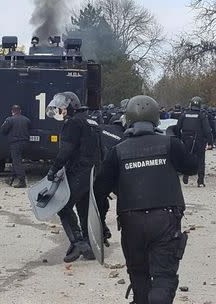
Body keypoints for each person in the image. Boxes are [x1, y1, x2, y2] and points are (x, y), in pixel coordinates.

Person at [94, 95, 198, 304]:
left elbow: (99, 189)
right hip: (165, 220)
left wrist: (100, 222)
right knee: (163, 277)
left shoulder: (117, 151)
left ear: (128, 118)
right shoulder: (170, 143)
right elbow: (191, 167)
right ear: (156, 118)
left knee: (139, 275)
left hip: (131, 221)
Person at [45, 92, 101, 262]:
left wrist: (54, 169)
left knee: (63, 206)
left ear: (71, 105)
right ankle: (89, 246)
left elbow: (67, 150)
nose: (60, 110)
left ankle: (78, 243)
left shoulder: (73, 123)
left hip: (79, 170)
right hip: (93, 170)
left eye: (62, 106)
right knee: (83, 209)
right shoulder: (91, 120)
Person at [176, 96, 212, 187]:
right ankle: (200, 181)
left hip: (186, 140)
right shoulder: (201, 115)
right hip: (199, 141)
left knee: (187, 158)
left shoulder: (184, 114)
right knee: (200, 160)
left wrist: (180, 138)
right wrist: (210, 142)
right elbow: (207, 130)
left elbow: (177, 128)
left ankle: (186, 174)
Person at [0, 105, 31, 188]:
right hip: (25, 143)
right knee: (16, 161)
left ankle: (22, 181)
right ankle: (10, 179)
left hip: (16, 144)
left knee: (17, 163)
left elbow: (3, 130)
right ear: (20, 111)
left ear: (12, 111)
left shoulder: (9, 120)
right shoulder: (26, 120)